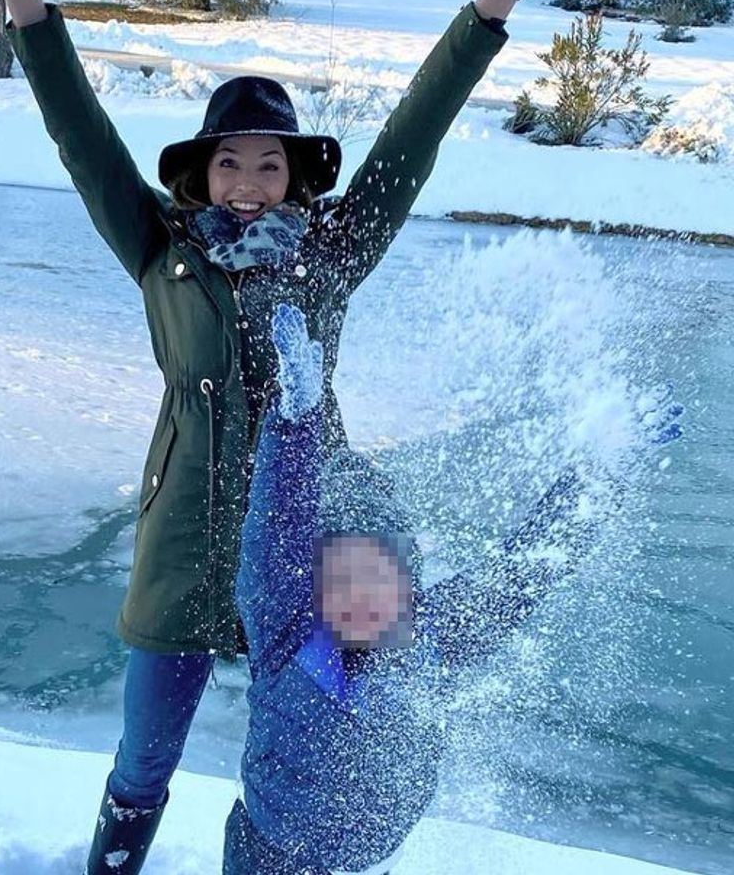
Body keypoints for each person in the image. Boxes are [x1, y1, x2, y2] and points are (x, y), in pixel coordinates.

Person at [0, 0, 587, 875]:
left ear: (295, 177)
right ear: (203, 172)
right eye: (230, 161)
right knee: (146, 752)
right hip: (189, 539)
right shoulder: (161, 249)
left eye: (270, 162)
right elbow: (80, 132)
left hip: (308, 552)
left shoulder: (331, 258)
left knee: (330, 756)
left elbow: (410, 141)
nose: (249, 181)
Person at [224, 303, 683, 875]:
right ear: (312, 584)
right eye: (340, 575)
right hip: (270, 857)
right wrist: (296, 420)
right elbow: (277, 528)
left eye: (380, 572)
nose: (362, 593)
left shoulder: (435, 636)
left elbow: (527, 566)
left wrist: (607, 469)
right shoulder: (285, 630)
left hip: (372, 864)